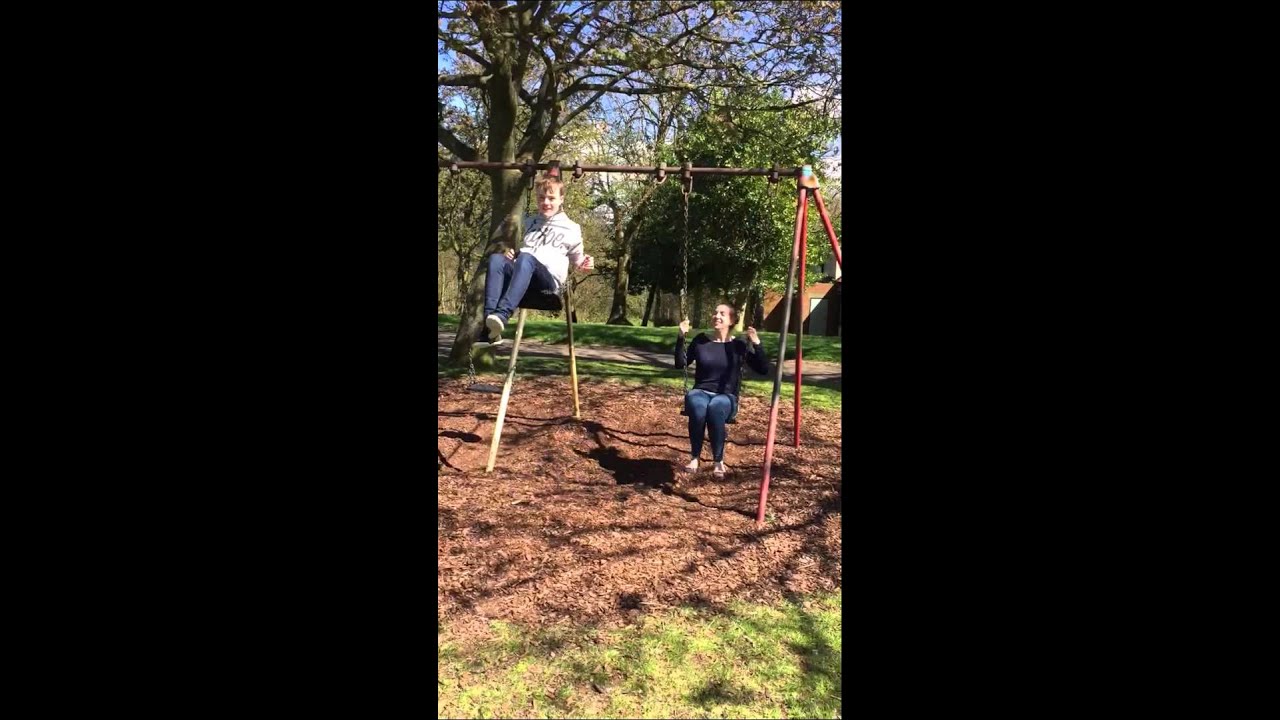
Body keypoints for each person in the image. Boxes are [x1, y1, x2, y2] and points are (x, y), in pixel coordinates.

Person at [477, 177, 594, 346]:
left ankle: (503, 314)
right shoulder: (529, 222)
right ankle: (489, 328)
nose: (545, 202)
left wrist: (586, 262)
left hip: (547, 286)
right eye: (541, 198)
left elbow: (578, 260)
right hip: (523, 277)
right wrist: (513, 255)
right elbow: (524, 251)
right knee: (497, 259)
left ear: (561, 199)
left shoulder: (572, 228)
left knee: (527, 259)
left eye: (551, 198)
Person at [674, 303, 770, 478]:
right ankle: (695, 457)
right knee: (697, 405)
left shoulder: (739, 346)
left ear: (732, 320)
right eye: (715, 312)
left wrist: (756, 343)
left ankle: (718, 460)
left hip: (726, 396)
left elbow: (763, 369)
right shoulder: (701, 340)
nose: (716, 316)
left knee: (716, 407)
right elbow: (680, 363)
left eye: (722, 314)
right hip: (701, 391)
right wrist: (681, 336)